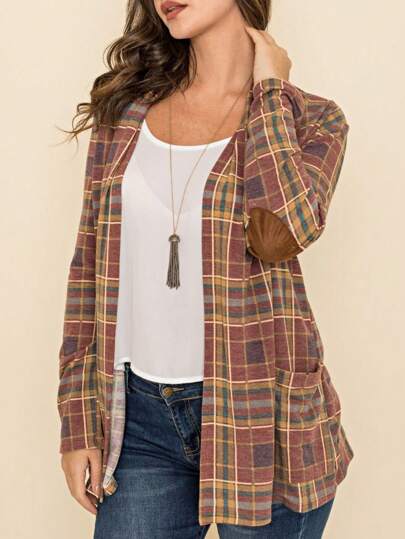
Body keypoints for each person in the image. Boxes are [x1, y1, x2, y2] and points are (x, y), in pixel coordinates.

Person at [57, 1, 354, 537]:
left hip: (265, 417)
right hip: (141, 423)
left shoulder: (313, 119)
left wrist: (270, 92)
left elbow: (282, 234)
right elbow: (88, 272)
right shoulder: (123, 114)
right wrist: (78, 420)